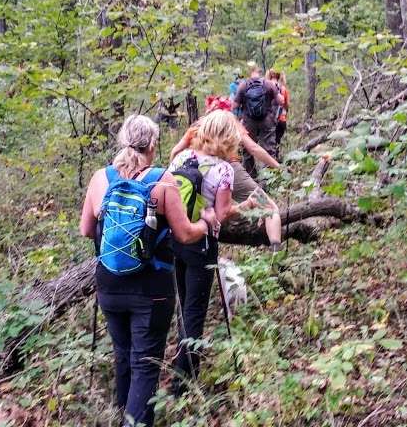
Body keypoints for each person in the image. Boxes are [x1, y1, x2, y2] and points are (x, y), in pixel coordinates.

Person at [79, 115, 216, 427]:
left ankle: (122, 412)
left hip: (109, 284)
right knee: (144, 363)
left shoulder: (101, 178)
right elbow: (184, 234)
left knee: (124, 353)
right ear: (153, 145)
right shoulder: (162, 180)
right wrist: (206, 222)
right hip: (151, 290)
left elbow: (86, 228)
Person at [167, 110, 239, 392]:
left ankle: (184, 366)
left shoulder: (182, 158)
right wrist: (241, 208)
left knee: (184, 306)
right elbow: (221, 214)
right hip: (202, 244)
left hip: (176, 237)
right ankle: (182, 384)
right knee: (195, 311)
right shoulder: (224, 170)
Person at [171, 97, 284, 252]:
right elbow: (254, 148)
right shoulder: (230, 124)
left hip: (192, 169)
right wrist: (278, 166)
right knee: (269, 207)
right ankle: (275, 249)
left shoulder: (198, 126)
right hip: (229, 170)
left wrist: (178, 168)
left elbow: (175, 151)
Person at [233, 65, 283, 176]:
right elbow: (281, 101)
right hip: (267, 120)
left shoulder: (243, 85)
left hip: (248, 122)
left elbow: (234, 105)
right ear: (259, 72)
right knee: (269, 148)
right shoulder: (269, 84)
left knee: (247, 149)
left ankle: (251, 176)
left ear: (248, 72)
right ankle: (269, 177)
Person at [266, 70, 289, 150]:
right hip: (281, 119)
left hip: (268, 120)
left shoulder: (265, 87)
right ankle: (276, 158)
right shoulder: (283, 89)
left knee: (268, 143)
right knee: (277, 142)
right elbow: (286, 105)